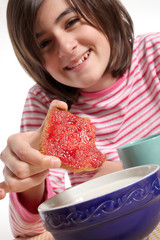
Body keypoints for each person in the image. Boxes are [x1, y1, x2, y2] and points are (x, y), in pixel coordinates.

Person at [0, 0, 160, 238]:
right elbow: (30, 232)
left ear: (102, 8)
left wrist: (122, 172)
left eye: (72, 21)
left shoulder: (154, 53)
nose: (65, 47)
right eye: (44, 43)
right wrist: (30, 181)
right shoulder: (45, 104)